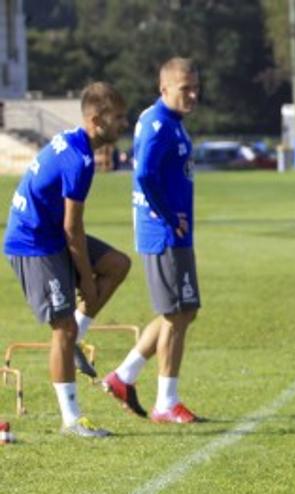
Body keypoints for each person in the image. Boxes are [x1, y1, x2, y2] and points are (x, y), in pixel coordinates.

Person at [4, 82, 131, 437]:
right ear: (96, 119)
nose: (124, 124)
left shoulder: (77, 142)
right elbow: (72, 227)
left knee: (117, 265)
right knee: (62, 327)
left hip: (51, 234)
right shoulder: (80, 159)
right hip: (33, 243)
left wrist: (91, 281)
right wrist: (87, 282)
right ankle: (71, 419)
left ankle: (78, 338)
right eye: (118, 117)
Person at [101, 57, 203, 424]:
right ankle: (166, 402)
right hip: (163, 234)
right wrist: (165, 214)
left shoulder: (173, 122)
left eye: (195, 87)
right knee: (177, 315)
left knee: (182, 310)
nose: (192, 94)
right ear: (164, 89)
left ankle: (123, 376)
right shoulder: (158, 124)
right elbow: (143, 175)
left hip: (177, 231)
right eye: (184, 88)